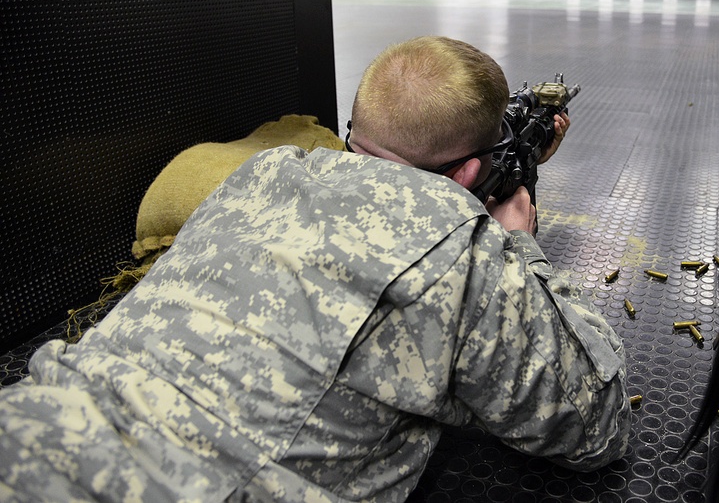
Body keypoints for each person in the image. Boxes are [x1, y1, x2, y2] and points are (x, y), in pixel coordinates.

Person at [0, 36, 631, 502]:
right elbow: (594, 429)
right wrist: (520, 243)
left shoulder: (265, 172)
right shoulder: (462, 248)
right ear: (471, 171)